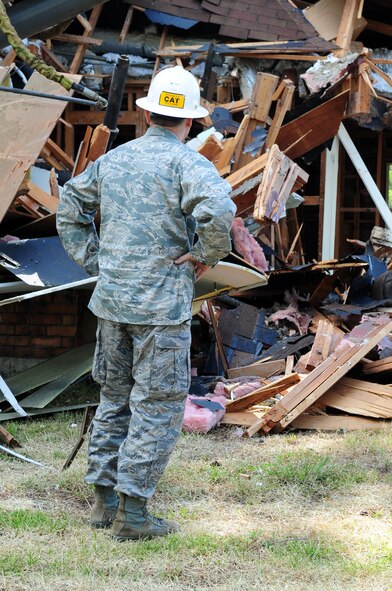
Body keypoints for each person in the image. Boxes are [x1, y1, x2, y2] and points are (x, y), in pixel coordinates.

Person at [56, 65, 236, 541]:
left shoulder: (113, 161)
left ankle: (103, 502)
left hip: (112, 303)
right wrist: (204, 254)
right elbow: (218, 211)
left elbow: (70, 206)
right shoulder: (189, 164)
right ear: (191, 120)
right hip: (160, 310)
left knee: (115, 399)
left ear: (148, 112)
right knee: (156, 406)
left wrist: (96, 260)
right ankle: (133, 516)